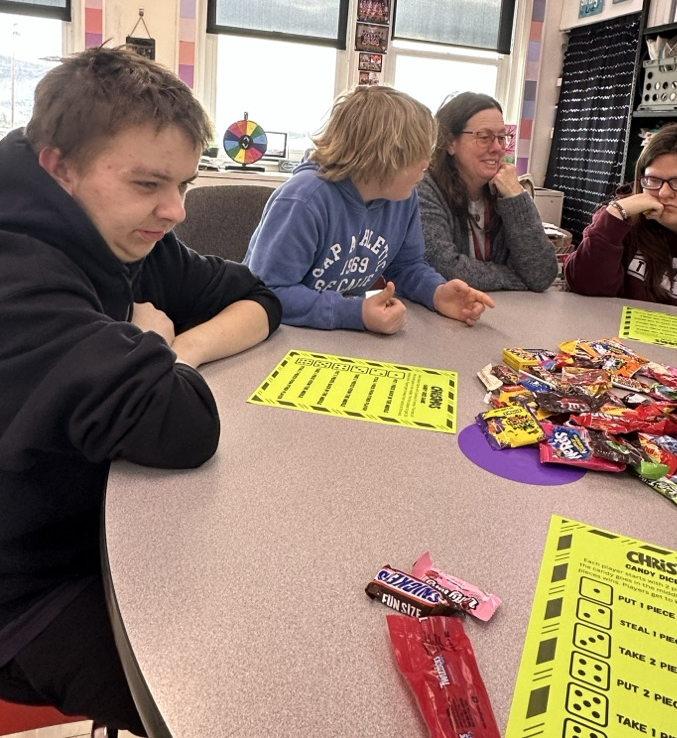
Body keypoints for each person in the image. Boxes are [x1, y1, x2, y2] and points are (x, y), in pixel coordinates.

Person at [0, 48, 282, 734]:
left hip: (97, 523)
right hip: (28, 591)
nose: (175, 210)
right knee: (237, 706)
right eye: (149, 184)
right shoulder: (18, 272)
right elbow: (182, 427)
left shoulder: (122, 233)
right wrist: (150, 347)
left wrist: (177, 346)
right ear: (58, 165)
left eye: (183, 183)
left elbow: (253, 296)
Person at [244, 86, 495, 333]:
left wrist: (437, 292)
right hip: (278, 335)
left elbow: (406, 266)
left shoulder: (402, 196)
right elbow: (269, 292)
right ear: (382, 156)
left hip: (339, 338)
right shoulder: (305, 200)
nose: (426, 165)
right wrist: (355, 313)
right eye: (417, 155)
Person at [564, 121, 677, 347]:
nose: (663, 193)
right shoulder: (624, 219)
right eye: (653, 180)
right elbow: (584, 285)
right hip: (626, 353)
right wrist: (614, 214)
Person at [417, 92, 559, 292]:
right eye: (484, 137)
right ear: (450, 142)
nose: (497, 148)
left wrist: (516, 197)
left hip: (505, 312)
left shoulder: (505, 190)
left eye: (502, 137)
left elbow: (541, 274)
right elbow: (442, 267)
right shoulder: (425, 187)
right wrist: (513, 278)